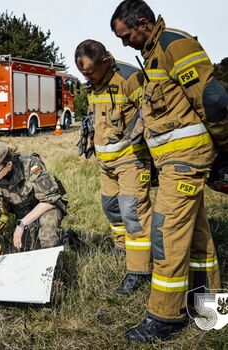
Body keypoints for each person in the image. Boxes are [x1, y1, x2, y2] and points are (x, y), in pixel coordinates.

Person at [110, 0, 225, 342]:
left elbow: (213, 100)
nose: (123, 43)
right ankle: (211, 311)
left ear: (143, 23)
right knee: (197, 237)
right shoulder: (154, 52)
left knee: (166, 235)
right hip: (174, 163)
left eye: (125, 34)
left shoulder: (174, 44)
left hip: (185, 162)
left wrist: (225, 150)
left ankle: (165, 316)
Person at [75, 39, 153, 294]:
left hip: (131, 159)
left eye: (89, 71)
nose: (86, 77)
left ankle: (140, 269)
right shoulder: (94, 84)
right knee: (111, 207)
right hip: (105, 163)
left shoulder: (130, 78)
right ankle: (122, 247)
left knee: (133, 211)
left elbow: (151, 111)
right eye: (83, 73)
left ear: (105, 62)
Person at [0, 142, 68, 270]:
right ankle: (65, 237)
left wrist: (22, 224)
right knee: (28, 250)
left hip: (46, 206)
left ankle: (54, 274)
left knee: (48, 237)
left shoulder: (30, 163)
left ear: (8, 164)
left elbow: (50, 199)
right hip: (23, 210)